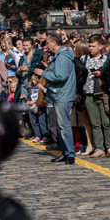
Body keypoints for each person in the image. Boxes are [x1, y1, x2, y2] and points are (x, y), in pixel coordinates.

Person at [41, 31, 78, 164]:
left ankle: (70, 154)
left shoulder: (62, 56)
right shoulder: (58, 55)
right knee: (60, 125)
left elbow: (60, 76)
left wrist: (43, 74)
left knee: (64, 124)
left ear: (54, 43)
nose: (46, 46)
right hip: (58, 93)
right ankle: (65, 152)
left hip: (63, 93)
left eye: (47, 43)